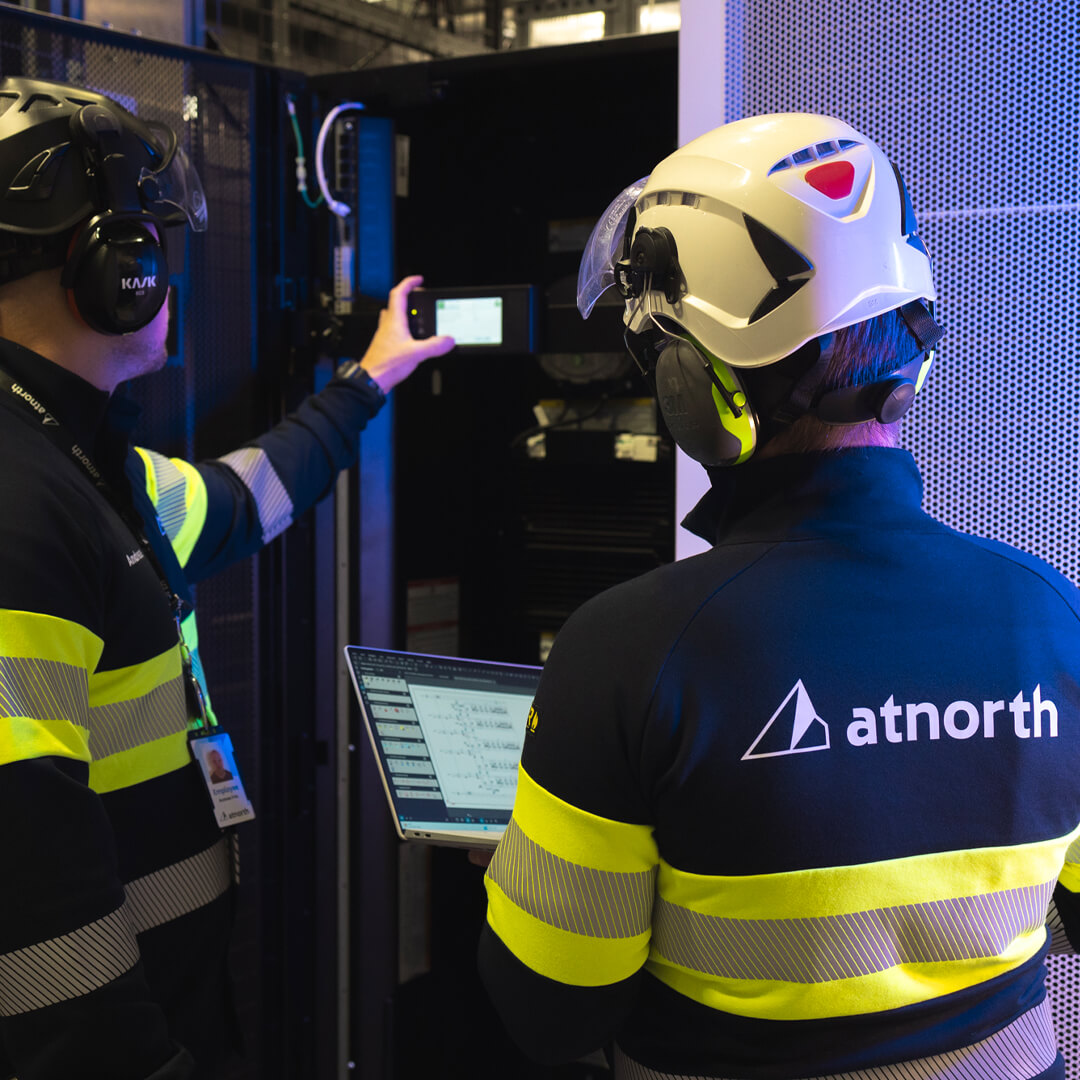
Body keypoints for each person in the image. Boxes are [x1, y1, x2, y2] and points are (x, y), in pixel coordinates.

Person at [478, 113, 1080, 1079]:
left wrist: (528, 878)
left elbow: (549, 1011)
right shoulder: (1052, 613)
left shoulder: (626, 651)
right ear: (909, 349)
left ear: (695, 386)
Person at [0, 77, 452, 1080]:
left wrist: (370, 379)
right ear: (108, 270)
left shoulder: (81, 468)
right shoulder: (20, 507)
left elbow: (246, 499)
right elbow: (25, 876)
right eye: (149, 240)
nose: (165, 269)